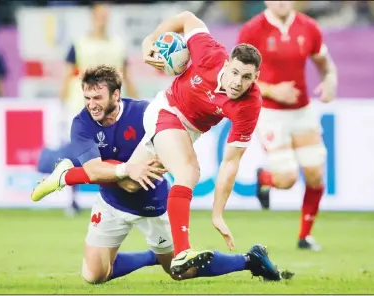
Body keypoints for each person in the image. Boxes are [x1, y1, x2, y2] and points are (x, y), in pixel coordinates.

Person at [33, 11, 263, 275]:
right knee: (188, 172)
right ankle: (183, 251)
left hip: (187, 131)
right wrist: (149, 41)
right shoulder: (209, 53)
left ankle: (66, 175)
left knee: (130, 182)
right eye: (234, 72)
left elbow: (231, 162)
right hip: (166, 110)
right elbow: (188, 18)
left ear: (256, 78)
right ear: (227, 64)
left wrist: (218, 213)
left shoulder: (250, 105)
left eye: (246, 77)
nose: (237, 82)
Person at [236, 1, 338, 251]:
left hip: (302, 111)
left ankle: (305, 236)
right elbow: (233, 77)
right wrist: (273, 90)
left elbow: (324, 63)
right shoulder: (252, 30)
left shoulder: (309, 28)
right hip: (270, 113)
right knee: (287, 178)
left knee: (315, 174)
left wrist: (329, 80)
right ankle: (265, 178)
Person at [58, 2, 138, 216]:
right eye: (100, 15)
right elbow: (67, 75)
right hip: (81, 104)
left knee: (115, 151)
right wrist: (62, 103)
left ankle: (116, 199)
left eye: (106, 15)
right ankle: (71, 200)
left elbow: (125, 75)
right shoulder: (79, 44)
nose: (103, 19)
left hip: (112, 108)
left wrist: (137, 102)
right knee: (80, 153)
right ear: (92, 17)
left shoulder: (117, 45)